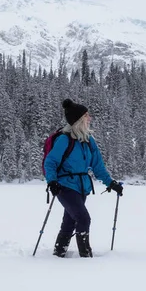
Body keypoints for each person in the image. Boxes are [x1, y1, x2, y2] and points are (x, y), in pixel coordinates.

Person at [44, 98, 123, 258]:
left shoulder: (88, 141)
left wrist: (111, 183)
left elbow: (98, 166)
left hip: (82, 187)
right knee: (83, 218)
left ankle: (58, 253)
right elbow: (50, 162)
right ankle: (85, 256)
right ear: (78, 120)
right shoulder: (64, 140)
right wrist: (52, 181)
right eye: (86, 115)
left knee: (70, 221)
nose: (90, 118)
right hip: (64, 186)